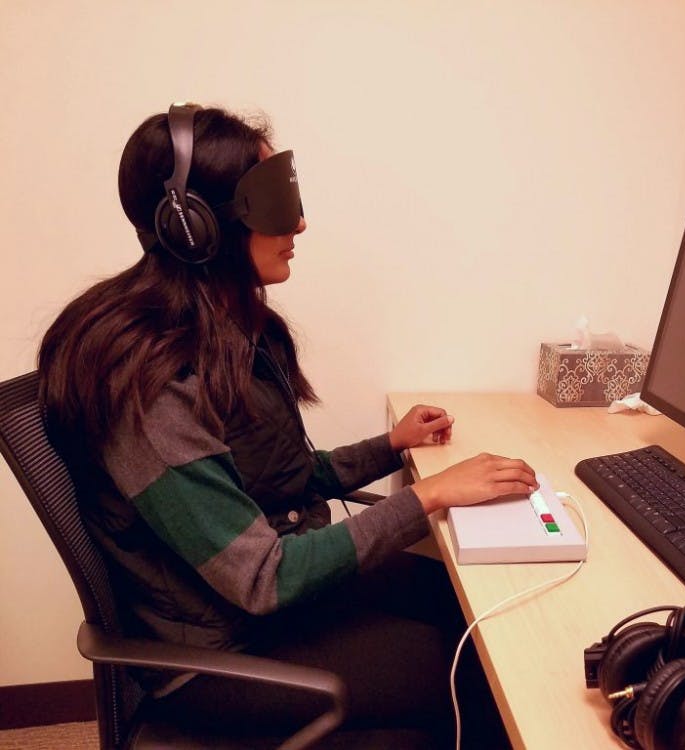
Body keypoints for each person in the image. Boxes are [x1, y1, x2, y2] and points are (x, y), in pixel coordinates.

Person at [37, 103, 537, 748]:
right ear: (197, 229)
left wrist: (390, 447)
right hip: (225, 648)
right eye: (273, 203)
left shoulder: (217, 331)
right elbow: (262, 578)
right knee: (483, 669)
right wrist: (429, 495)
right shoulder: (149, 385)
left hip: (257, 598)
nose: (298, 222)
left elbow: (274, 479)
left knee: (473, 605)